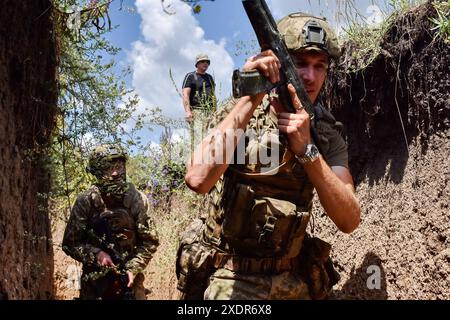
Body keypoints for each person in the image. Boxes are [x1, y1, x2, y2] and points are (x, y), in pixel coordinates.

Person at [176, 13, 360, 300]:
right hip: (229, 277)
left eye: (319, 66)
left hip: (291, 280)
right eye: (299, 63)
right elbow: (198, 178)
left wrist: (307, 151)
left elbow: (349, 220)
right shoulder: (240, 113)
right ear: (278, 63)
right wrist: (250, 98)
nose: (310, 76)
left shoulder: (325, 132)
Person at [62, 144, 159, 300]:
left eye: (119, 167)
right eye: (108, 168)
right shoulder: (86, 201)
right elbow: (70, 243)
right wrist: (97, 254)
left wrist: (132, 268)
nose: (115, 173)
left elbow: (150, 242)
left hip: (130, 283)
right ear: (97, 172)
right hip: (94, 285)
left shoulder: (137, 200)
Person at [182, 54, 217, 150]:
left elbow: (213, 95)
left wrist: (215, 112)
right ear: (197, 64)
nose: (205, 63)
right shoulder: (190, 76)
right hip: (197, 112)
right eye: (203, 61)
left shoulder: (210, 77)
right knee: (198, 140)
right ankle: (197, 162)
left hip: (210, 112)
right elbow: (185, 94)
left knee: (211, 138)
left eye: (207, 62)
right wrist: (188, 111)